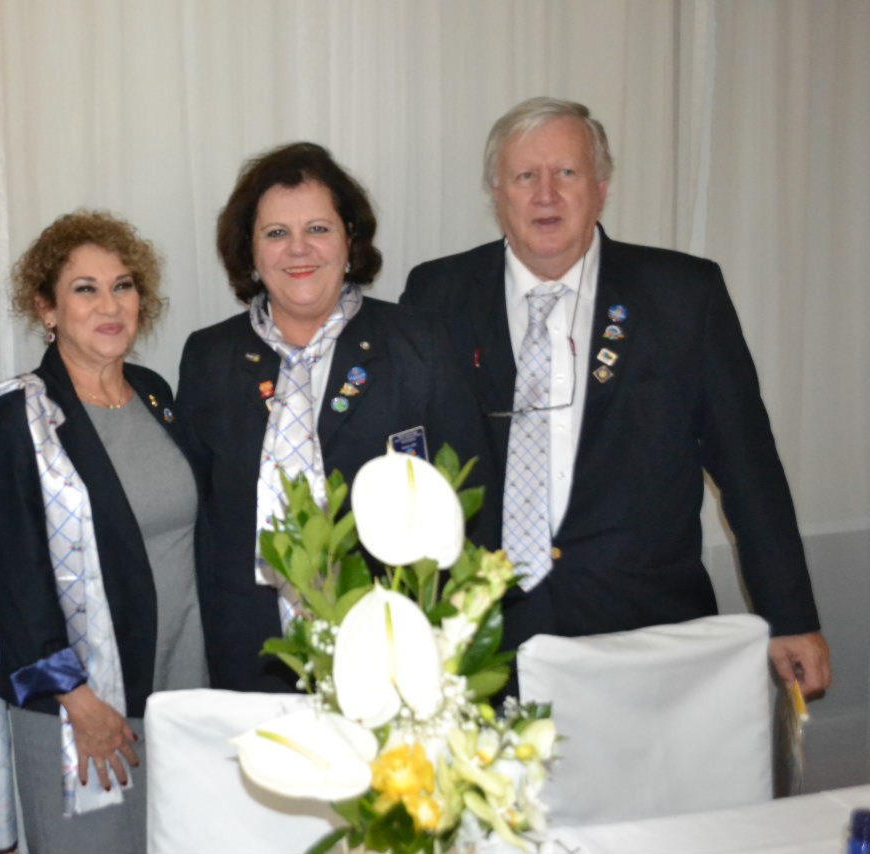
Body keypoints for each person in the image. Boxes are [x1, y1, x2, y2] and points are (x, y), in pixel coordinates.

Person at [401, 97, 831, 698]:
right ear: (496, 194)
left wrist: (790, 616)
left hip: (645, 634)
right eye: (525, 176)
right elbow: (408, 470)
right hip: (484, 640)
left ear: (601, 188)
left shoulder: (684, 295)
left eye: (567, 173)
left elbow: (747, 463)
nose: (546, 194)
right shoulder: (437, 293)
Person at [178, 141, 488, 693]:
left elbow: (471, 499)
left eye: (318, 229)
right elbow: (199, 519)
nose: (298, 249)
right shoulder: (208, 358)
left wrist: (455, 633)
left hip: (396, 646)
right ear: (250, 252)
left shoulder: (420, 343)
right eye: (276, 233)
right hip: (251, 652)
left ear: (350, 240)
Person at [0, 211, 207, 854]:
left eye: (123, 286)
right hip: (81, 711)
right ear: (46, 308)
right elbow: (12, 579)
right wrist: (77, 700)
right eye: (85, 289)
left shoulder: (156, 395)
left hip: (179, 692)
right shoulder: (18, 418)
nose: (110, 306)